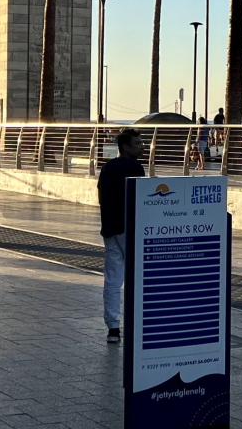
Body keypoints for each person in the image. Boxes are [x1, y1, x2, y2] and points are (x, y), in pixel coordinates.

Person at [97, 127, 144, 344]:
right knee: (138, 278)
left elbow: (101, 197)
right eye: (137, 144)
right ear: (125, 147)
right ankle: (137, 323)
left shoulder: (106, 168)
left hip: (110, 230)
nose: (141, 147)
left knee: (113, 281)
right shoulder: (135, 168)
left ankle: (113, 329)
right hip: (130, 230)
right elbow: (140, 200)